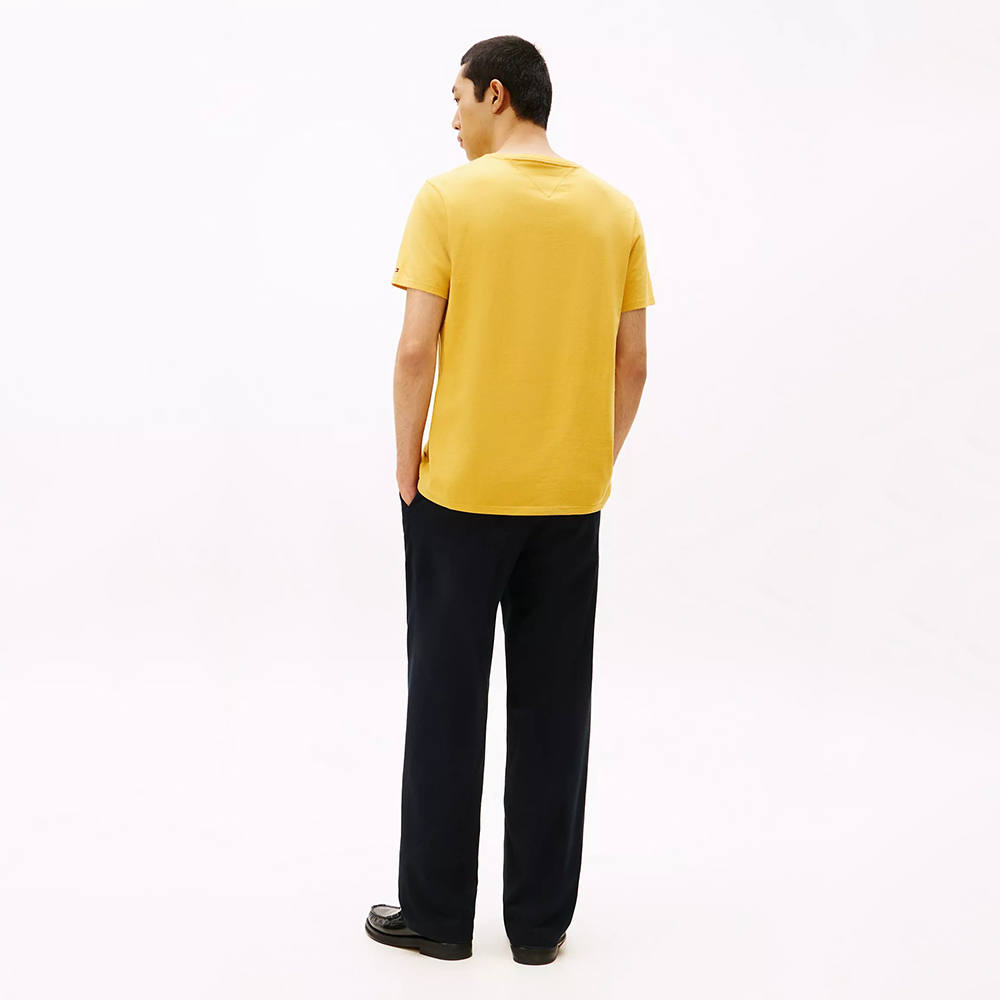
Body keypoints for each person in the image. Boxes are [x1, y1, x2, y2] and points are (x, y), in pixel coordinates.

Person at [365, 34, 654, 965]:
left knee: (446, 704)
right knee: (554, 710)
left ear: (496, 94)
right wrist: (592, 463)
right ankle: (538, 927)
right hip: (568, 501)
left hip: (459, 497)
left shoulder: (448, 199)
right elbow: (633, 363)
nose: (452, 120)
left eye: (457, 99)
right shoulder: (614, 211)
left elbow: (416, 349)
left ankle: (437, 916)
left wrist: (405, 468)